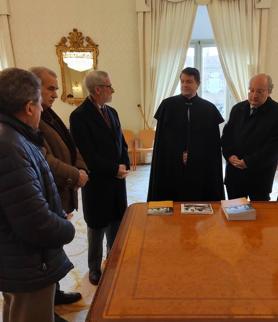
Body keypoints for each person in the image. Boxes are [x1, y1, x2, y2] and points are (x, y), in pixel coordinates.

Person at [0, 68, 75, 322]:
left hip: (19, 262)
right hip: (27, 265)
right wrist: (66, 228)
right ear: (30, 108)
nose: (43, 110)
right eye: (39, 105)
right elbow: (35, 223)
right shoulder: (10, 146)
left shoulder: (13, 137)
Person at [29, 67, 88, 314]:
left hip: (62, 190)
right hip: (49, 192)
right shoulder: (30, 121)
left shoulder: (49, 114)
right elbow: (46, 159)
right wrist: (75, 175)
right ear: (33, 90)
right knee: (48, 247)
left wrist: (81, 168)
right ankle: (49, 299)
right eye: (50, 88)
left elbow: (70, 146)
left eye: (56, 87)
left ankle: (55, 293)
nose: (56, 93)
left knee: (55, 248)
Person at [70, 70, 130, 285]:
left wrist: (126, 162)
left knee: (116, 222)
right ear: (98, 89)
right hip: (97, 183)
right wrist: (115, 168)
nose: (112, 90)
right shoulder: (79, 116)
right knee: (97, 226)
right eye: (109, 87)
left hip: (116, 181)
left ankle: (112, 261)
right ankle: (94, 268)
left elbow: (120, 141)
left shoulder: (111, 111)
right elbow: (88, 154)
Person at [148, 67, 224, 201]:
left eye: (189, 81)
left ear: (198, 84)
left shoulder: (208, 109)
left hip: (200, 164)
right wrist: (179, 153)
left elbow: (212, 144)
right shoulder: (167, 105)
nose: (184, 85)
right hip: (171, 163)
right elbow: (163, 140)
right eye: (182, 81)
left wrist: (192, 154)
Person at [221, 73, 278, 201]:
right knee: (234, 214)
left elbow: (273, 148)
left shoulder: (276, 112)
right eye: (251, 90)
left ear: (269, 91)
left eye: (259, 91)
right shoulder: (237, 109)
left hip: (260, 177)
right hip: (234, 174)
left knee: (259, 216)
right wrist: (229, 156)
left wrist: (248, 162)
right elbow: (226, 137)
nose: (254, 95)